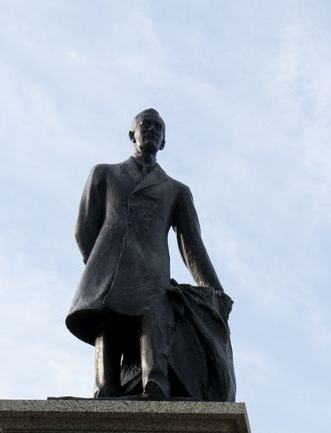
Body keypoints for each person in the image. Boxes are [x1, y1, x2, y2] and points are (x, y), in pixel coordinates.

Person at [67, 108, 232, 400]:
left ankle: (154, 386)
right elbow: (83, 227)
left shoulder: (176, 190)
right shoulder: (104, 174)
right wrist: (100, 263)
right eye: (146, 124)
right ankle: (105, 389)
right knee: (108, 324)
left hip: (152, 270)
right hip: (109, 269)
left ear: (164, 141)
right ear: (132, 133)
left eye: (159, 128)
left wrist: (214, 290)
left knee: (153, 321)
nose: (152, 130)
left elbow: (192, 246)